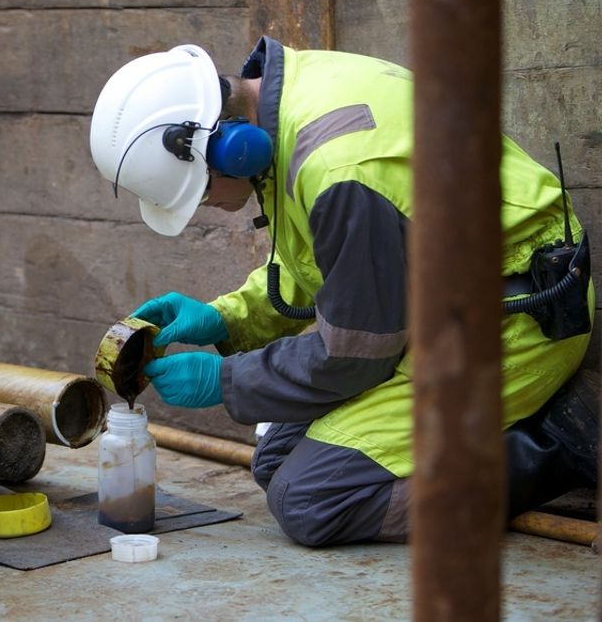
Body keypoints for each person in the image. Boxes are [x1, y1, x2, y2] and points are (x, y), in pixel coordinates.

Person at [89, 40, 597, 546]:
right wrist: (227, 319)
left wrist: (224, 382)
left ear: (229, 151)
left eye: (198, 192)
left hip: (517, 319)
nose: (204, 207)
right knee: (275, 462)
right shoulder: (289, 109)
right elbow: (336, 265)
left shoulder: (337, 168)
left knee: (311, 500)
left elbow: (355, 354)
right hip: (437, 302)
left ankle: (560, 441)